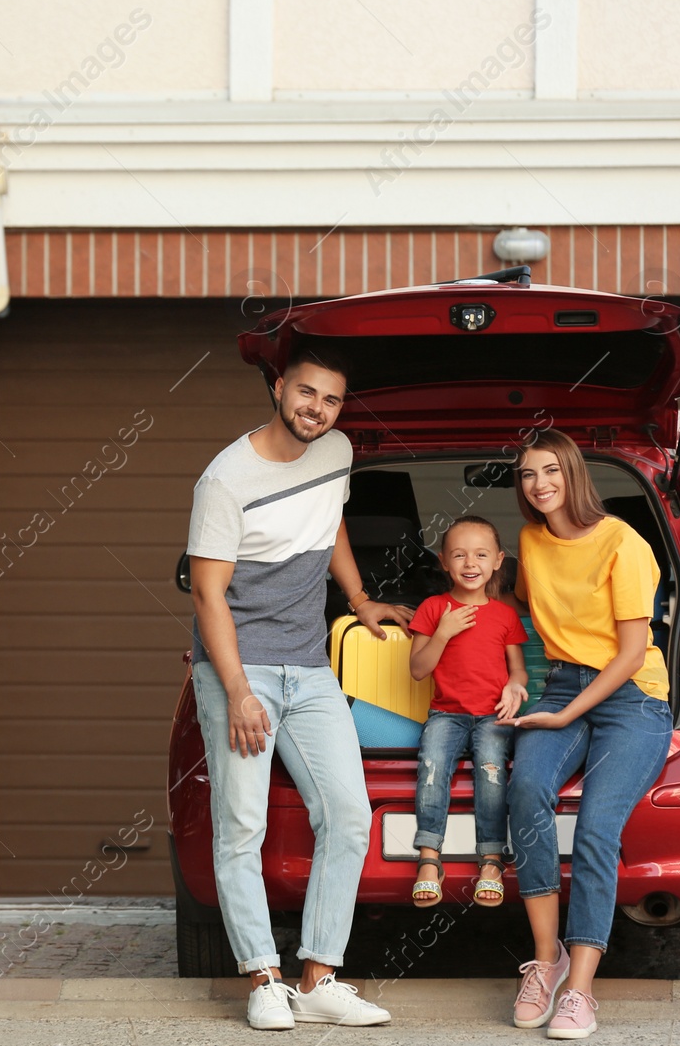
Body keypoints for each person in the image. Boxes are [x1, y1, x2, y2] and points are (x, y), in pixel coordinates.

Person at [186, 343, 411, 1031]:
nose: (317, 409)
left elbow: (329, 521)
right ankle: (262, 976)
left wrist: (360, 596)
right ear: (280, 387)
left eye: (332, 399)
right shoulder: (226, 478)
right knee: (241, 828)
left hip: (312, 666)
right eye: (307, 393)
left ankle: (318, 977)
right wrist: (237, 690)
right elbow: (206, 591)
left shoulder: (336, 451)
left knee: (348, 814)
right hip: (241, 666)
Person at [498, 429, 673, 1040]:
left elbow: (628, 654)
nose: (539, 484)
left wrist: (567, 715)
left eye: (551, 470)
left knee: (597, 828)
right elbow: (517, 609)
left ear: (574, 474)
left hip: (631, 697)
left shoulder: (623, 542)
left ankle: (580, 991)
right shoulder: (529, 540)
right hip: (562, 686)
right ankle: (547, 961)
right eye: (526, 474)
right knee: (525, 793)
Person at [405, 515, 530, 909]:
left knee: (491, 774)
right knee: (431, 769)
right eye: (459, 555)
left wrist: (515, 685)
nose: (470, 563)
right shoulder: (432, 608)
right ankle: (429, 859)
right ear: (443, 561)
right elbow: (418, 669)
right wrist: (443, 631)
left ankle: (491, 861)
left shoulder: (505, 615)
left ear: (498, 560)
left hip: (494, 715)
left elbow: (519, 670)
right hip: (447, 713)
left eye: (480, 554)